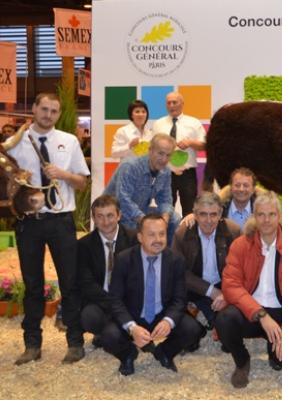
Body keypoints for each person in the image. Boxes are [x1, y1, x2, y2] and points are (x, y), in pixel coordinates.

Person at [8, 93, 90, 365]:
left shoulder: (69, 141)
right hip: (28, 222)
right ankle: (32, 344)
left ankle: (75, 343)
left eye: (54, 111)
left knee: (70, 282)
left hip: (61, 220)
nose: (48, 115)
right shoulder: (15, 144)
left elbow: (81, 183)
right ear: (33, 108)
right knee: (33, 285)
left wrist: (64, 174)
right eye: (44, 109)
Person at [214, 191, 282, 388]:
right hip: (252, 311)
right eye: (261, 214)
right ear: (254, 217)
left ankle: (274, 347)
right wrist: (261, 315)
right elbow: (231, 285)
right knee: (224, 319)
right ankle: (242, 361)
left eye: (271, 214)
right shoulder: (240, 245)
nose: (266, 220)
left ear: (279, 217)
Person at [101, 214, 204, 376]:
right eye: (151, 234)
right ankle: (128, 355)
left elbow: (179, 299)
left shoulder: (176, 260)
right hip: (133, 315)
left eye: (162, 234)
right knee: (108, 336)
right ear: (140, 237)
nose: (158, 239)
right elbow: (115, 299)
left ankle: (164, 352)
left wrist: (168, 321)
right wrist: (132, 327)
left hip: (161, 314)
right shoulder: (124, 259)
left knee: (192, 329)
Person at [171, 192, 241, 330]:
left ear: (220, 215)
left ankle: (208, 315)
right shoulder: (183, 233)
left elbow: (241, 270)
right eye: (203, 214)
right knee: (186, 330)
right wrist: (212, 292)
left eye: (213, 214)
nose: (208, 220)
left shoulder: (233, 231)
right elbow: (178, 271)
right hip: (193, 286)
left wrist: (226, 293)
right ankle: (199, 314)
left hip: (223, 285)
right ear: (195, 215)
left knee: (227, 327)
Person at [78, 194, 137, 345]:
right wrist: (112, 303)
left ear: (119, 215)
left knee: (116, 333)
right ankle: (109, 331)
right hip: (100, 300)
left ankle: (115, 333)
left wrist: (121, 303)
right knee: (89, 317)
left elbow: (137, 277)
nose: (105, 222)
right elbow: (86, 283)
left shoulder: (134, 240)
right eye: (100, 216)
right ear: (93, 218)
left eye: (110, 215)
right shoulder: (84, 245)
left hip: (127, 301)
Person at [103, 133, 181, 244]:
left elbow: (166, 200)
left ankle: (164, 256)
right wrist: (145, 222)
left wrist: (164, 219)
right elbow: (123, 201)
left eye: (168, 155)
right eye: (160, 153)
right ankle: (137, 256)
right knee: (133, 224)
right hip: (117, 212)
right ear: (150, 150)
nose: (164, 159)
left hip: (140, 209)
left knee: (175, 219)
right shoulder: (130, 166)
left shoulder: (165, 171)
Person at [152, 92, 206, 216]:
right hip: (164, 173)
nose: (171, 105)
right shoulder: (158, 124)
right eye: (168, 103)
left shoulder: (194, 122)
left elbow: (204, 145)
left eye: (174, 102)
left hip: (187, 174)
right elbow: (152, 148)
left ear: (182, 104)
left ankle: (188, 235)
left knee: (190, 211)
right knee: (164, 210)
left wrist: (191, 143)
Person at [179, 167, 259, 230]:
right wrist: (195, 216)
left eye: (246, 185)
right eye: (237, 185)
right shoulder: (219, 209)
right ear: (230, 188)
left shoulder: (261, 211)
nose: (241, 189)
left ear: (253, 189)